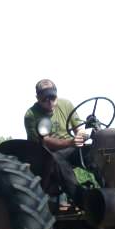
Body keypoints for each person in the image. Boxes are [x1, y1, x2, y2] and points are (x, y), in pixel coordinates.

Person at [24, 79, 88, 208]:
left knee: (93, 153)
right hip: (45, 154)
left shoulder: (66, 104)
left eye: (52, 97)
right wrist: (71, 142)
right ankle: (82, 200)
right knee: (56, 159)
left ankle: (109, 191)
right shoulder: (31, 115)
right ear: (37, 98)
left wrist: (82, 136)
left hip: (70, 147)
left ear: (56, 95)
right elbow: (45, 141)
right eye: (44, 99)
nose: (49, 102)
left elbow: (79, 129)